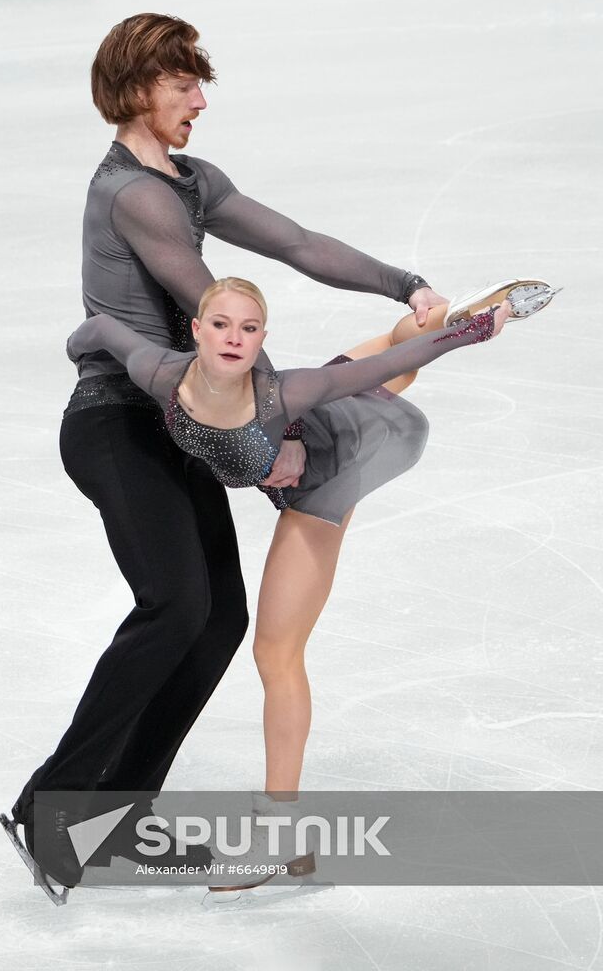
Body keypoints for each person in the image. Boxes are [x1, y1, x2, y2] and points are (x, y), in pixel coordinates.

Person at [1, 11, 456, 901]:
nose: (199, 100)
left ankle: (117, 818)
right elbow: (218, 316)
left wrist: (403, 284)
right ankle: (47, 809)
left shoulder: (192, 179)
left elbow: (295, 245)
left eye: (197, 84)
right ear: (137, 92)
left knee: (216, 621)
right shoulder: (131, 192)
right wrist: (274, 425)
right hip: (117, 421)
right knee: (174, 607)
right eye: (181, 86)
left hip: (179, 426)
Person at [65, 275, 547, 895]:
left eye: (249, 329)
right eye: (220, 325)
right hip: (333, 416)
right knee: (382, 355)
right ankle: (450, 306)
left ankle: (279, 834)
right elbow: (101, 329)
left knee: (276, 651)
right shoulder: (163, 374)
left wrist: (473, 331)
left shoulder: (287, 391)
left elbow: (409, 357)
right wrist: (78, 351)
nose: (234, 339)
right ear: (195, 330)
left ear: (264, 339)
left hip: (338, 460)